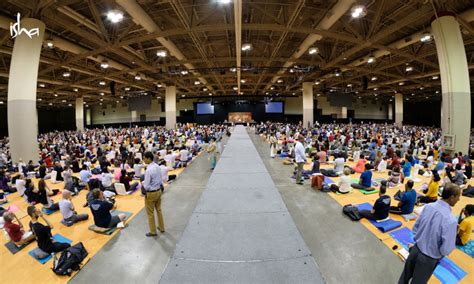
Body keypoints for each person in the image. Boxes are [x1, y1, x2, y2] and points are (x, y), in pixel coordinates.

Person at [398, 184, 460, 284]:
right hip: (428, 258)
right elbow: (445, 249)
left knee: (404, 278)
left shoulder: (428, 207)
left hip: (415, 250)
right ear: (452, 197)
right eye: (458, 196)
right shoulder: (450, 220)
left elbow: (415, 228)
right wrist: (453, 233)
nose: (459, 199)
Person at [142, 151, 165, 237]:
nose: (143, 160)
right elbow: (160, 179)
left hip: (151, 193)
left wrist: (143, 184)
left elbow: (147, 186)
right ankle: (161, 227)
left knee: (150, 213)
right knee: (159, 210)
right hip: (158, 191)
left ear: (148, 158)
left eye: (144, 158)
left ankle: (153, 231)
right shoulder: (157, 166)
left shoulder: (148, 170)